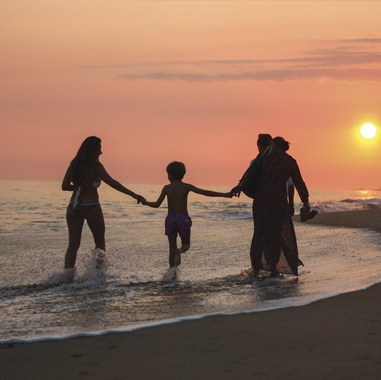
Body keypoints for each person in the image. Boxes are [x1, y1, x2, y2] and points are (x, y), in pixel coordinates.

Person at [231, 134, 310, 276]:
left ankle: (256, 269)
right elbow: (299, 182)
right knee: (275, 236)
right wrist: (306, 202)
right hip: (279, 202)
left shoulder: (266, 153)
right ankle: (274, 268)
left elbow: (252, 171)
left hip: (262, 199)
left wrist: (240, 185)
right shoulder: (290, 161)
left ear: (273, 144)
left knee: (259, 234)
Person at [62, 136, 143, 269]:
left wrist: (79, 187)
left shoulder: (74, 164)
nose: (101, 152)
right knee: (100, 244)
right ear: (92, 150)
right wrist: (133, 194)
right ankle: (98, 276)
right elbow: (112, 182)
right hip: (91, 206)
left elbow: (64, 186)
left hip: (73, 207)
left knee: (73, 245)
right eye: (99, 149)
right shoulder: (96, 166)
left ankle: (67, 276)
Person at [141, 161, 233, 268]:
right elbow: (205, 192)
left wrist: (145, 202)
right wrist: (225, 194)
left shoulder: (166, 188)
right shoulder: (186, 187)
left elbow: (156, 204)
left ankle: (172, 273)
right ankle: (180, 251)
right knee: (186, 244)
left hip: (170, 218)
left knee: (171, 248)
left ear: (170, 175)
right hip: (183, 218)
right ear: (182, 174)